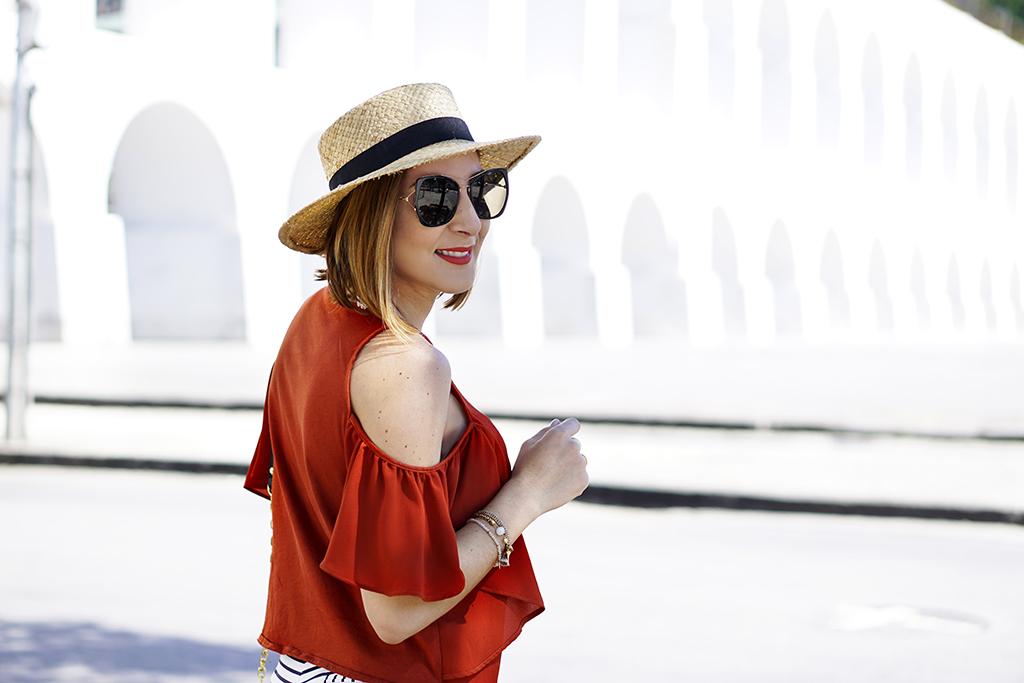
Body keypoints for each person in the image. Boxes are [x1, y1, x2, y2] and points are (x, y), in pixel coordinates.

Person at [244, 83, 589, 683]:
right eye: (433, 197)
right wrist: (529, 494)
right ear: (373, 215)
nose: (470, 219)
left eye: (481, 191)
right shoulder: (407, 368)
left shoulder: (315, 320)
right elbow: (397, 608)